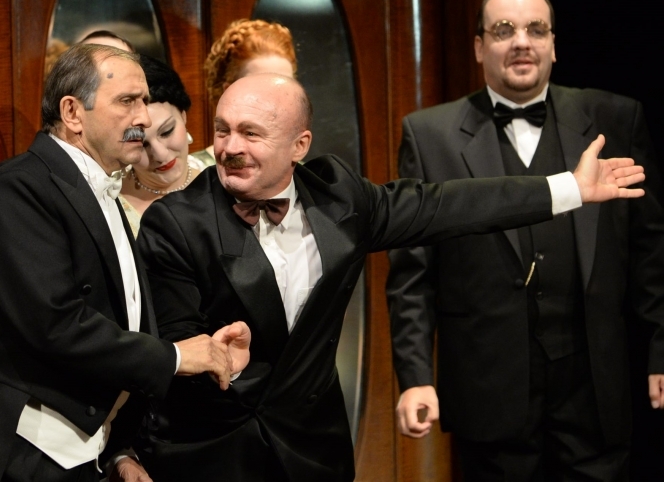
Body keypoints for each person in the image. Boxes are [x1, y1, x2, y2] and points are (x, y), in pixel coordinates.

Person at [136, 72, 645, 482]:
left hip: (314, 451)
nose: (229, 147)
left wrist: (569, 189)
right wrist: (212, 357)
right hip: (215, 452)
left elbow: (447, 205)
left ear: (299, 145)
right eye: (223, 129)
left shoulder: (339, 197)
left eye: (251, 133)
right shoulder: (177, 222)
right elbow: (173, 341)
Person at [0, 43, 250, 482]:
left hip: (78, 455)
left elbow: (121, 322)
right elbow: (54, 324)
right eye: (127, 101)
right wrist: (173, 356)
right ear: (72, 112)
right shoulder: (17, 188)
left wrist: (118, 449)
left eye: (145, 100)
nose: (143, 117)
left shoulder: (101, 189)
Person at [387, 0, 664, 481]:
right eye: (504, 30)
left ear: (554, 44)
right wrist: (415, 377)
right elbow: (412, 275)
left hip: (595, 390)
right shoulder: (429, 135)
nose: (522, 42)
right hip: (487, 393)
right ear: (479, 47)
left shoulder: (615, 118)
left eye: (537, 29)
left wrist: (661, 349)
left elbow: (651, 251)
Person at [118, 55, 206, 236]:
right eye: (140, 144)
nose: (159, 154)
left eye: (166, 132)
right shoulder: (111, 207)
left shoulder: (224, 184)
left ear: (183, 115)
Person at [192, 18, 297, 166]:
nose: (278, 102)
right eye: (262, 90)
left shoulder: (305, 172)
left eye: (286, 89)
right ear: (228, 93)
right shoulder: (194, 172)